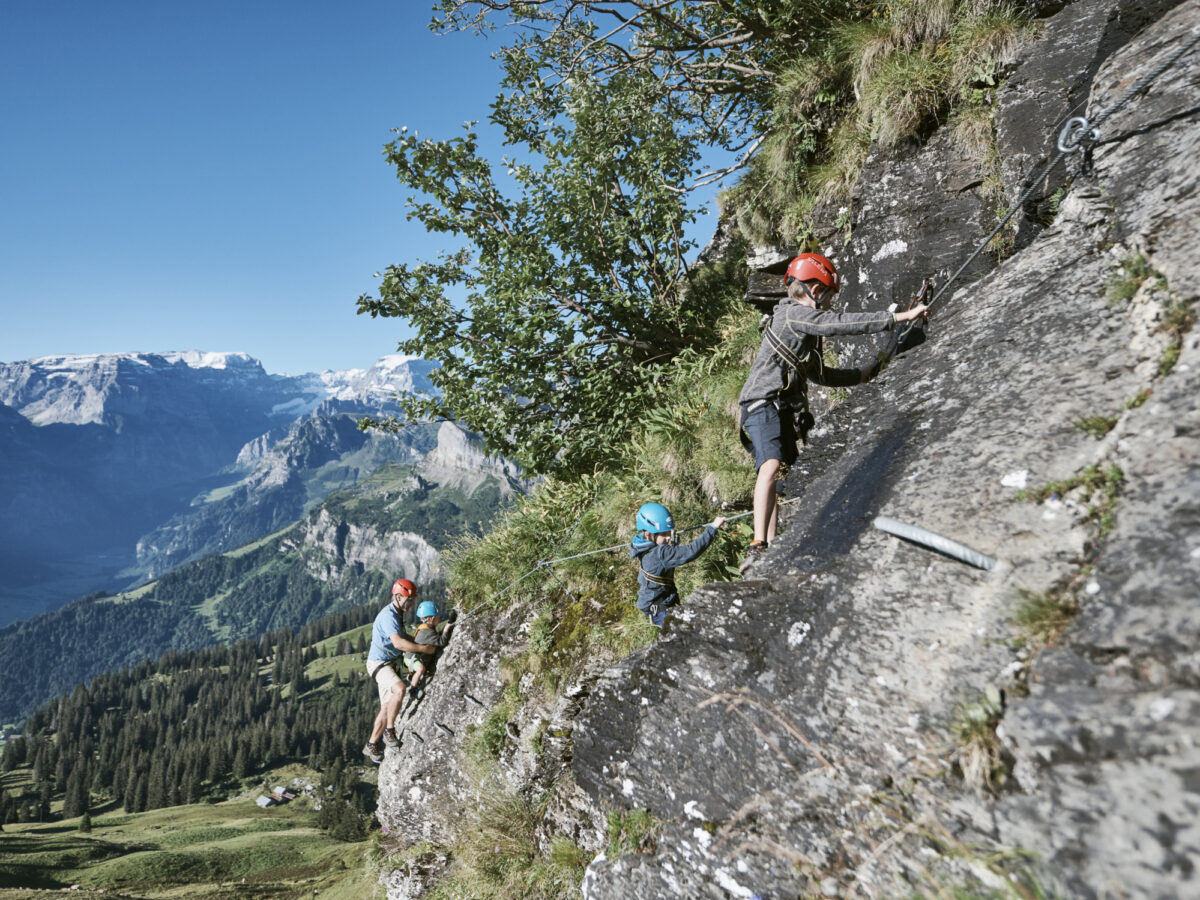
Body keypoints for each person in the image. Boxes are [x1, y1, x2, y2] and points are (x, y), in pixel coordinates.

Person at [737, 252, 928, 569]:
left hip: (780, 406)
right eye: (827, 296)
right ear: (813, 290)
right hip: (763, 402)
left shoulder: (802, 330)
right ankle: (757, 543)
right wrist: (899, 317)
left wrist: (863, 374)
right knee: (769, 466)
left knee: (775, 469)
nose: (828, 304)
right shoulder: (793, 315)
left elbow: (821, 375)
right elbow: (839, 325)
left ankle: (767, 546)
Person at [362, 578, 440, 763]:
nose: (411, 603)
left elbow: (401, 636)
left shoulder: (395, 613)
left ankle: (371, 744)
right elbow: (398, 642)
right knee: (400, 688)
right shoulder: (388, 616)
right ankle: (390, 732)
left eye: (412, 600)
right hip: (380, 664)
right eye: (408, 599)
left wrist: (416, 641)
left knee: (387, 707)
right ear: (398, 596)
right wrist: (424, 649)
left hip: (385, 663)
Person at [629, 502, 726, 626]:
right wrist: (712, 528)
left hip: (656, 603)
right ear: (648, 534)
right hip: (661, 608)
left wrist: (670, 543)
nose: (669, 537)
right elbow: (691, 551)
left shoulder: (641, 545)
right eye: (664, 534)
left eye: (669, 532)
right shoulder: (660, 553)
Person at [402, 600, 443, 693]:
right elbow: (440, 641)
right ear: (429, 619)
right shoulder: (426, 631)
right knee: (421, 669)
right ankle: (413, 689)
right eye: (437, 618)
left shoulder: (425, 628)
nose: (439, 619)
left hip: (412, 657)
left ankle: (413, 675)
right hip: (412, 657)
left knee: (423, 665)